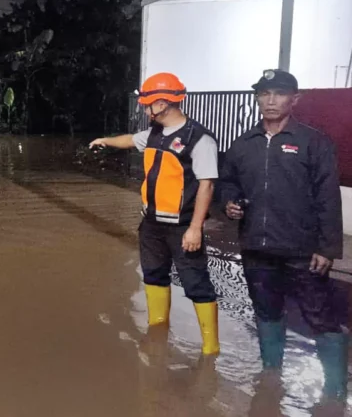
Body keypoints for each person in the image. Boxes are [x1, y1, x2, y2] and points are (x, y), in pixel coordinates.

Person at [220, 69, 348, 399]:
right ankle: (271, 376)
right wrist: (229, 202)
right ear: (258, 99)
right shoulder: (243, 144)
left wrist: (327, 247)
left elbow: (328, 197)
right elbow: (229, 181)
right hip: (257, 248)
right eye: (264, 94)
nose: (271, 100)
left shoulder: (312, 142)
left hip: (303, 251)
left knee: (321, 317)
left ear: (295, 99)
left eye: (278, 93)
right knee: (266, 312)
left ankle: (334, 388)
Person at [90, 72, 220, 355]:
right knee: (153, 276)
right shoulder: (154, 134)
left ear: (162, 103)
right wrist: (105, 141)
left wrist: (196, 228)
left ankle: (211, 348)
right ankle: (157, 327)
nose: (145, 109)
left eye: (147, 103)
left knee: (196, 284)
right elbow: (130, 140)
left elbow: (206, 186)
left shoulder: (200, 140)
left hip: (183, 226)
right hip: (151, 224)